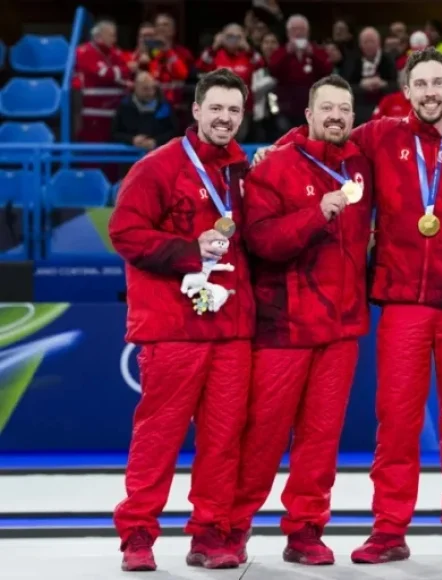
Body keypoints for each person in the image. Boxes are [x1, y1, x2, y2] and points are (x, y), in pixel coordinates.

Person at [260, 46, 442, 565]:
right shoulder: (381, 135)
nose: (431, 92)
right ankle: (390, 529)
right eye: (422, 84)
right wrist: (270, 150)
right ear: (406, 91)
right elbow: (316, 140)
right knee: (396, 422)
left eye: (439, 83)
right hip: (402, 301)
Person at [108, 69, 254, 572]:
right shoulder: (159, 166)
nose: (225, 118)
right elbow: (123, 232)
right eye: (216, 108)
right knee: (159, 437)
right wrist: (188, 251)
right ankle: (138, 536)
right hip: (173, 328)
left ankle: (211, 535)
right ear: (195, 110)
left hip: (231, 329)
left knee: (223, 440)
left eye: (234, 110)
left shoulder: (242, 172)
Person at [226, 75, 373, 566]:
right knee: (262, 436)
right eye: (326, 108)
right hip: (284, 328)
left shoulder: (361, 163)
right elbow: (261, 242)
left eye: (344, 109)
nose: (336, 116)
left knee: (321, 439)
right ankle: (232, 525)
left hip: (341, 329)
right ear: (307, 116)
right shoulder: (274, 168)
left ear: (354, 117)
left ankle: (306, 530)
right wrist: (317, 212)